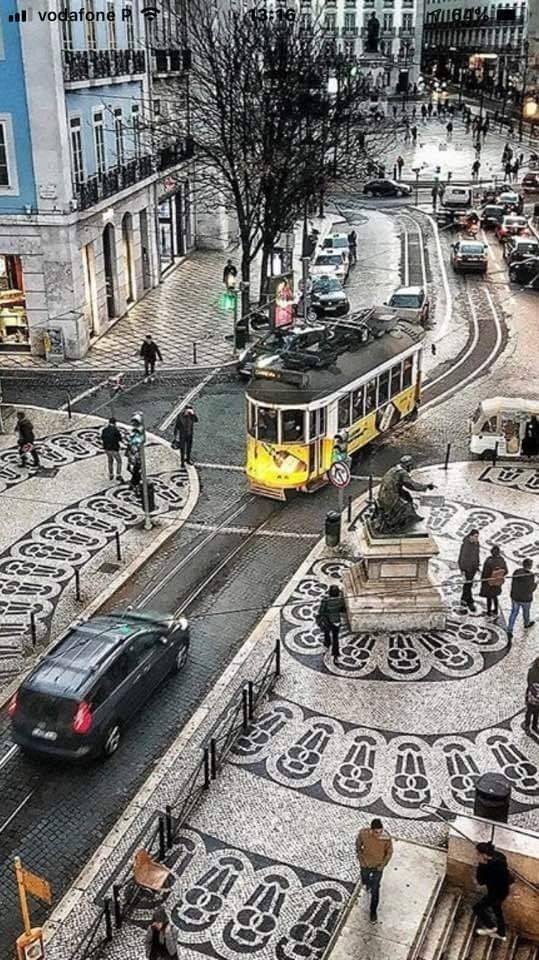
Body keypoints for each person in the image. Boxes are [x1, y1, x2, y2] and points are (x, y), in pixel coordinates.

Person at [356, 818, 393, 923]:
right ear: (371, 830)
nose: (379, 834)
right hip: (365, 865)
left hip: (378, 867)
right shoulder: (363, 834)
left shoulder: (386, 838)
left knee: (376, 890)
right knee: (365, 879)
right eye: (376, 832)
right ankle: (367, 885)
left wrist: (382, 866)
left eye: (381, 831)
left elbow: (389, 853)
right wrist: (361, 859)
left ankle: (373, 912)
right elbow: (358, 845)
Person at [473, 841, 512, 941]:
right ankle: (501, 933)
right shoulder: (500, 857)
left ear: (484, 855)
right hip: (504, 889)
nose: (476, 855)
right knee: (497, 910)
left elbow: (480, 881)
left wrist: (481, 865)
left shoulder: (486, 867)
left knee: (477, 907)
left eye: (478, 854)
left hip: (495, 893)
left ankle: (491, 926)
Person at [507, 558, 536, 641]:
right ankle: (526, 623)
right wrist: (536, 584)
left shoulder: (517, 572)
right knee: (526, 612)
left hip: (515, 597)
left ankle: (509, 629)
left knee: (513, 613)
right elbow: (531, 589)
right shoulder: (530, 575)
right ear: (530, 566)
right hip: (525, 599)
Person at [317, 583, 346, 661]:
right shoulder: (340, 600)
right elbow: (342, 609)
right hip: (336, 621)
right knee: (335, 638)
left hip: (327, 620)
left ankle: (327, 642)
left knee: (326, 632)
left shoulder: (325, 601)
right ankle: (336, 655)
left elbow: (321, 611)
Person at [479, 545, 508, 620]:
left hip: (489, 582)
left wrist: (483, 580)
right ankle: (495, 610)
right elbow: (506, 571)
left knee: (489, 597)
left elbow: (485, 573)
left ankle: (489, 611)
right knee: (495, 596)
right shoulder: (501, 560)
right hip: (497, 582)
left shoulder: (489, 561)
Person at [458, 529, 480, 612]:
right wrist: (462, 569)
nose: (477, 538)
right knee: (468, 584)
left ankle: (463, 599)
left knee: (468, 584)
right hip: (467, 568)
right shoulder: (466, 545)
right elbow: (462, 557)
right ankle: (470, 601)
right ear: (471, 536)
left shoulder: (476, 544)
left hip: (473, 568)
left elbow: (477, 555)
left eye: (477, 537)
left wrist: (477, 565)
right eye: (475, 536)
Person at [101, 416, 123, 482]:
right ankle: (118, 475)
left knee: (110, 461)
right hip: (114, 448)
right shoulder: (116, 430)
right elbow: (120, 439)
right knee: (119, 461)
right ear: (115, 423)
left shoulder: (104, 430)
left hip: (107, 448)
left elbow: (102, 438)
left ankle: (111, 474)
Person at [524, 656, 539, 734]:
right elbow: (530, 683)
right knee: (529, 712)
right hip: (532, 695)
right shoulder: (532, 671)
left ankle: (534, 725)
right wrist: (535, 692)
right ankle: (527, 726)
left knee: (537, 712)